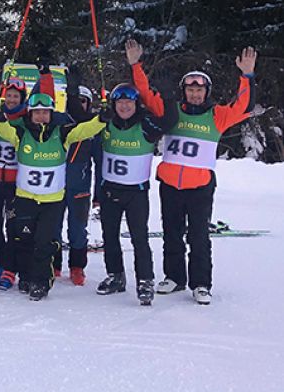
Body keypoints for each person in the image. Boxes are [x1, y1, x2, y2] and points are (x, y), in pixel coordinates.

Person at [127, 40, 256, 305]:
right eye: (190, 89)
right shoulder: (170, 111)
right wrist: (135, 65)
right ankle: (174, 277)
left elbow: (243, 106)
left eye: (200, 90)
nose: (195, 94)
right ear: (183, 91)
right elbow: (144, 94)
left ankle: (201, 284)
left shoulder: (217, 115)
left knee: (199, 235)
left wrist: (247, 75)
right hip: (171, 184)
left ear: (206, 92)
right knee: (171, 233)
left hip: (200, 186)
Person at [0, 90, 107, 300]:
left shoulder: (61, 133)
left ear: (52, 113)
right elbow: (4, 130)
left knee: (45, 242)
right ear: (31, 114)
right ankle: (25, 276)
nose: (42, 116)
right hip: (26, 198)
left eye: (46, 112)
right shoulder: (21, 133)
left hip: (51, 201)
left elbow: (85, 129)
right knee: (24, 239)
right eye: (37, 112)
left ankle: (41, 282)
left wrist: (102, 119)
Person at [80, 81, 177, 305]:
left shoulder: (145, 124)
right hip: (110, 189)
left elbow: (170, 122)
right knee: (109, 236)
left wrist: (169, 98)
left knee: (139, 238)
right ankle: (116, 276)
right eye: (120, 102)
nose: (124, 107)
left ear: (136, 104)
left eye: (129, 102)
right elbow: (80, 121)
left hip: (136, 192)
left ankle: (145, 280)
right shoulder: (107, 123)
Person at [0, 61, 56, 288]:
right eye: (10, 96)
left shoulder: (26, 119)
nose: (13, 100)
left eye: (17, 96)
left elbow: (45, 96)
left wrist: (45, 74)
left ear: (22, 99)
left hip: (15, 182)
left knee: (13, 227)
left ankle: (11, 267)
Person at [51, 82, 103, 285]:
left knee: (78, 229)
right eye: (77, 100)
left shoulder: (93, 126)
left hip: (79, 186)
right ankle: (54, 264)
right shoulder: (58, 121)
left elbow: (100, 161)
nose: (80, 104)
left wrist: (99, 193)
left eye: (84, 101)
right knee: (53, 227)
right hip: (55, 186)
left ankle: (77, 266)